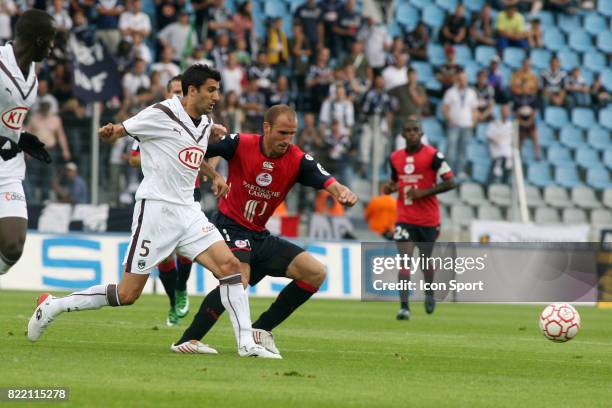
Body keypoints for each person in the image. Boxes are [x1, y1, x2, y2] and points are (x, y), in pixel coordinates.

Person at [27, 64, 279, 359]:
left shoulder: (204, 122)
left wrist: (214, 171)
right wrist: (111, 131)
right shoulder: (161, 114)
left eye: (218, 90)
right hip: (156, 213)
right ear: (192, 91)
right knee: (127, 294)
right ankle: (52, 306)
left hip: (189, 211)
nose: (216, 96)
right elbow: (120, 131)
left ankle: (246, 344)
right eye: (211, 90)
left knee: (231, 268)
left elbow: (189, 155)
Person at [172, 104, 358, 355]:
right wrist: (213, 173)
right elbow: (193, 149)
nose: (287, 140)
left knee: (315, 273)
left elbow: (326, 180)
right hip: (230, 225)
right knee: (238, 279)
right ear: (267, 128)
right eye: (282, 133)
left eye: (292, 134)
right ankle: (192, 341)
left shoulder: (297, 159)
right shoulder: (240, 143)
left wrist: (341, 191)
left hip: (259, 235)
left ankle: (261, 329)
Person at [128, 75, 197, 326]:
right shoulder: (159, 119)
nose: (179, 96)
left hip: (188, 193)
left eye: (182, 91)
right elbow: (133, 158)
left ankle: (182, 288)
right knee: (164, 256)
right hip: (160, 193)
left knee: (182, 247)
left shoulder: (198, 120)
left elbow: (209, 153)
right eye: (174, 92)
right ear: (167, 94)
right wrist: (160, 156)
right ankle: (173, 300)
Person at [0, 10, 56, 276]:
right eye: (50, 40)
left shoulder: (32, 73)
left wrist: (19, 136)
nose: (52, 47)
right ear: (37, 40)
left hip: (8, 165)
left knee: (13, 246)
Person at [384, 119, 455, 320]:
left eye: (416, 130)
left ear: (421, 133)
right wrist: (388, 188)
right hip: (404, 217)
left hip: (428, 219)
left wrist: (424, 192)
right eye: (408, 130)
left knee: (425, 261)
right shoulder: (395, 158)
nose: (412, 133)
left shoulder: (433, 156)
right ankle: (404, 307)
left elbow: (451, 182)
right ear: (403, 135)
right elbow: (394, 182)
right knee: (405, 261)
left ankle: (430, 294)